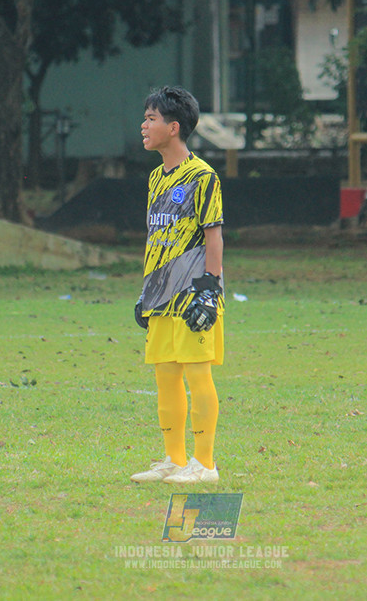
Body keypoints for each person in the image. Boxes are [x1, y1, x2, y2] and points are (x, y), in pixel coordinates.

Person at [130, 86, 225, 485]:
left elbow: (214, 235)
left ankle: (204, 465)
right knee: (165, 378)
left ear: (173, 127)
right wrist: (146, 291)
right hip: (160, 295)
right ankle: (174, 459)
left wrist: (209, 289)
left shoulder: (203, 176)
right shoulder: (156, 177)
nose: (143, 125)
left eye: (150, 119)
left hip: (192, 295)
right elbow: (158, 236)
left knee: (198, 376)